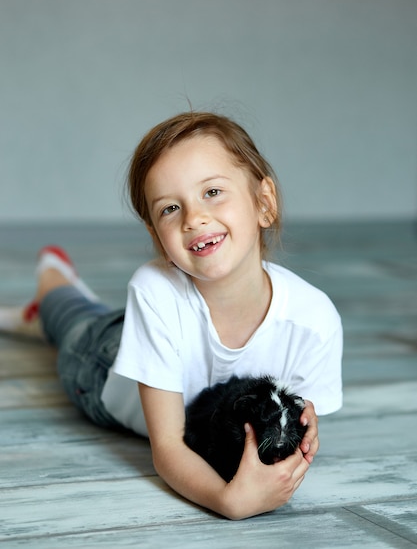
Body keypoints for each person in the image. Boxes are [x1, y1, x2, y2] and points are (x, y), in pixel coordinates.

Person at [0, 111, 343, 520]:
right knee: (71, 316)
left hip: (156, 341)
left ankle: (43, 310)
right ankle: (53, 282)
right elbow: (167, 448)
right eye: (170, 208)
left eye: (213, 192)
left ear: (263, 203)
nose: (193, 218)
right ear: (158, 240)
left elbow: (296, 431)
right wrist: (226, 500)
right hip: (101, 363)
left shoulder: (314, 319)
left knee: (94, 317)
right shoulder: (153, 288)